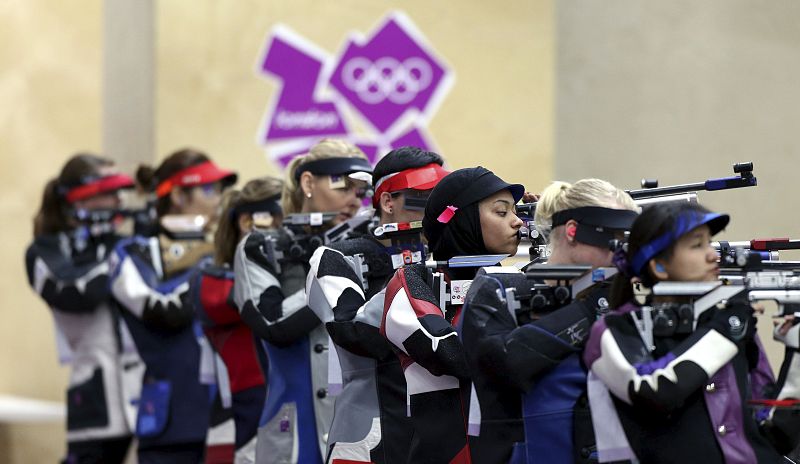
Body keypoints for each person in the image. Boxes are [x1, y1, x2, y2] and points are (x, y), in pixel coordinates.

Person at [584, 201, 781, 463]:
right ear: (659, 267)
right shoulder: (616, 330)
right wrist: (727, 330)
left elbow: (776, 432)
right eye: (697, 245)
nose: (713, 255)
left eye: (710, 243)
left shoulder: (727, 323)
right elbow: (652, 390)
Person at [459, 179, 639, 463]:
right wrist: (591, 307)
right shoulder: (501, 289)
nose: (620, 251)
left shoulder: (626, 294)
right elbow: (504, 365)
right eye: (612, 236)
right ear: (572, 231)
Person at [232, 139, 373, 464]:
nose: (355, 199)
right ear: (308, 183)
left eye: (361, 190)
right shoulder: (261, 246)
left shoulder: (368, 246)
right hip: (294, 425)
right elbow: (273, 324)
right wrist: (334, 269)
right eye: (344, 185)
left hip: (362, 423)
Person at [305, 146, 449, 462]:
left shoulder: (446, 258)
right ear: (387, 202)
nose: (435, 208)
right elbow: (353, 331)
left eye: (442, 198)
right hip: (370, 435)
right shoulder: (336, 257)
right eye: (423, 198)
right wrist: (411, 279)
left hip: (440, 433)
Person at [381, 166, 525, 463]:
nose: (518, 222)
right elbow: (447, 352)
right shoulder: (413, 280)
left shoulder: (517, 279)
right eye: (501, 212)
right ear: (463, 219)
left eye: (516, 211)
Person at [109, 148, 237, 464]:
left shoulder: (224, 252)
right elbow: (164, 310)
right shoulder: (132, 254)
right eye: (209, 189)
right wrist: (209, 263)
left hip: (229, 415)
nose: (219, 199)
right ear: (178, 196)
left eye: (220, 189)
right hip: (170, 422)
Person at [25, 153, 142, 464]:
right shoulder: (46, 250)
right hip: (95, 394)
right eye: (109, 191)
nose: (119, 200)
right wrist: (120, 251)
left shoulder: (119, 243)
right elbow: (77, 292)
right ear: (81, 198)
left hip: (148, 388)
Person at [192, 176, 284, 463]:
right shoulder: (212, 281)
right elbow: (253, 299)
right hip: (242, 423)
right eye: (284, 217)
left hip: (283, 413)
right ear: (247, 222)